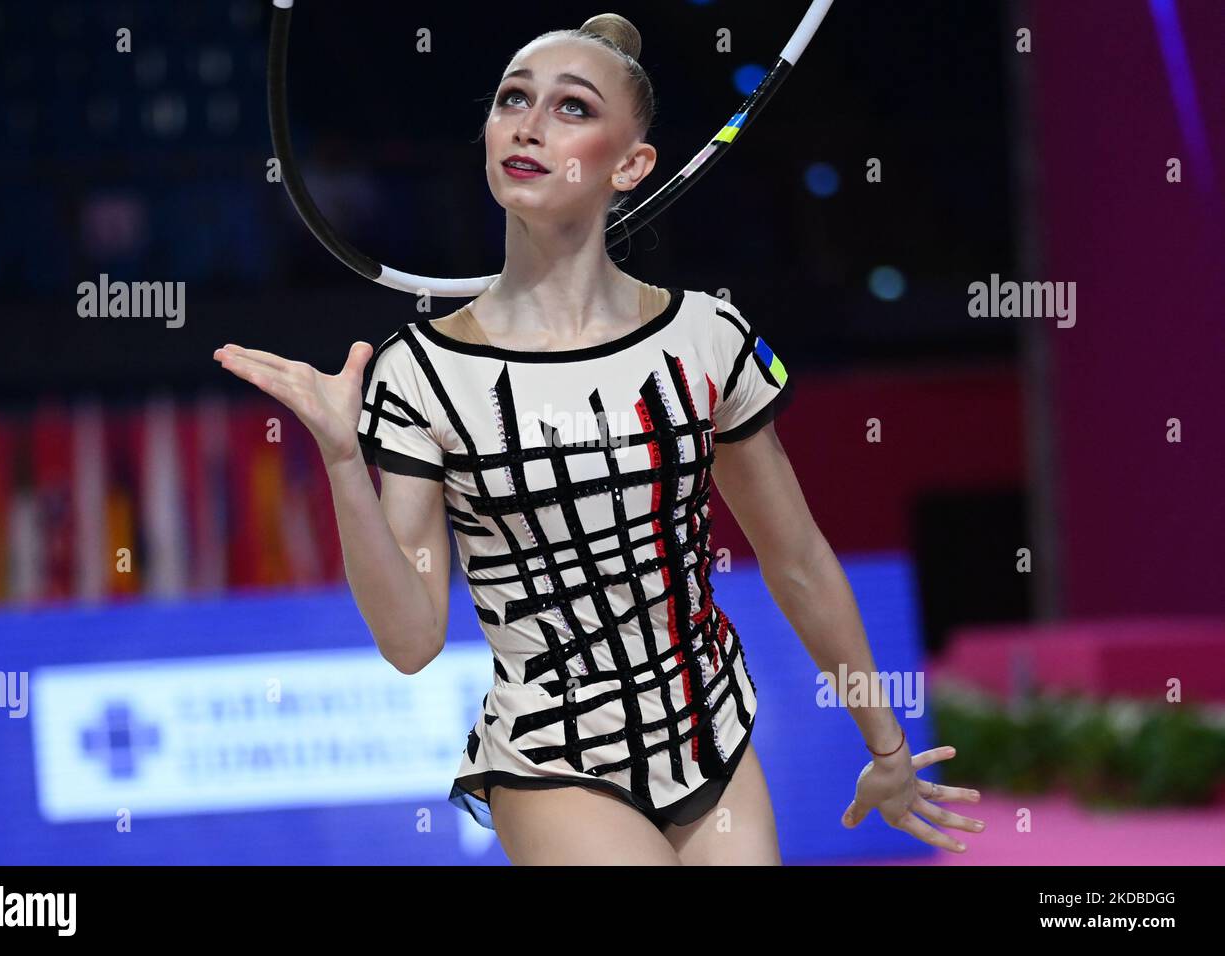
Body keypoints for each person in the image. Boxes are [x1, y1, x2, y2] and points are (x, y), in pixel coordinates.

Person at [215, 13, 984, 865]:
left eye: (572, 108)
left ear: (633, 164)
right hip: (552, 758)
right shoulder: (421, 371)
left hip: (711, 735)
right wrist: (340, 462)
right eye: (514, 99)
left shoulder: (706, 336)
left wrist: (886, 750)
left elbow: (796, 557)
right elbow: (409, 641)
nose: (529, 124)